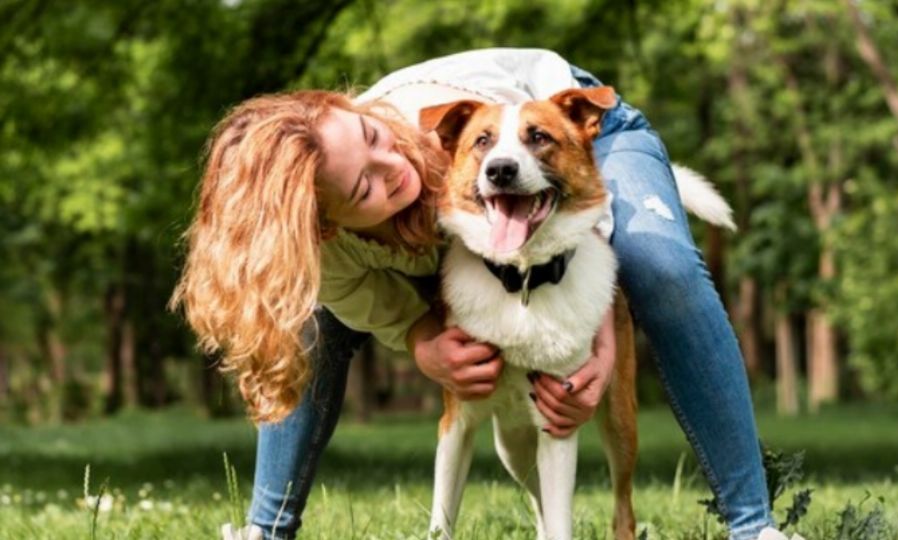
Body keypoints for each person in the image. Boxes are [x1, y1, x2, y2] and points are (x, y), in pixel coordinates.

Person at [171, 49, 784, 540]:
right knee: (310, 319)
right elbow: (381, 306)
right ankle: (266, 527)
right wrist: (422, 342)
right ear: (325, 227)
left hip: (574, 138)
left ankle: (754, 525)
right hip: (500, 209)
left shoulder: (460, 135)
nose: (395, 169)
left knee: (658, 263)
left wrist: (597, 351)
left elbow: (568, 202)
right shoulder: (326, 252)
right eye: (365, 187)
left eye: (372, 137)